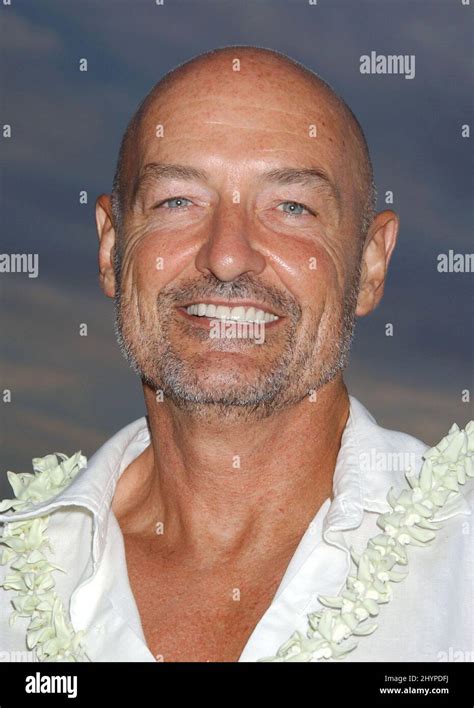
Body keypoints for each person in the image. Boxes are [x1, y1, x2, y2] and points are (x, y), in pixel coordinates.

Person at [1, 45, 472, 663]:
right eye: (177, 200)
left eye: (291, 207)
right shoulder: (14, 580)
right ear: (112, 246)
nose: (226, 255)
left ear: (370, 265)